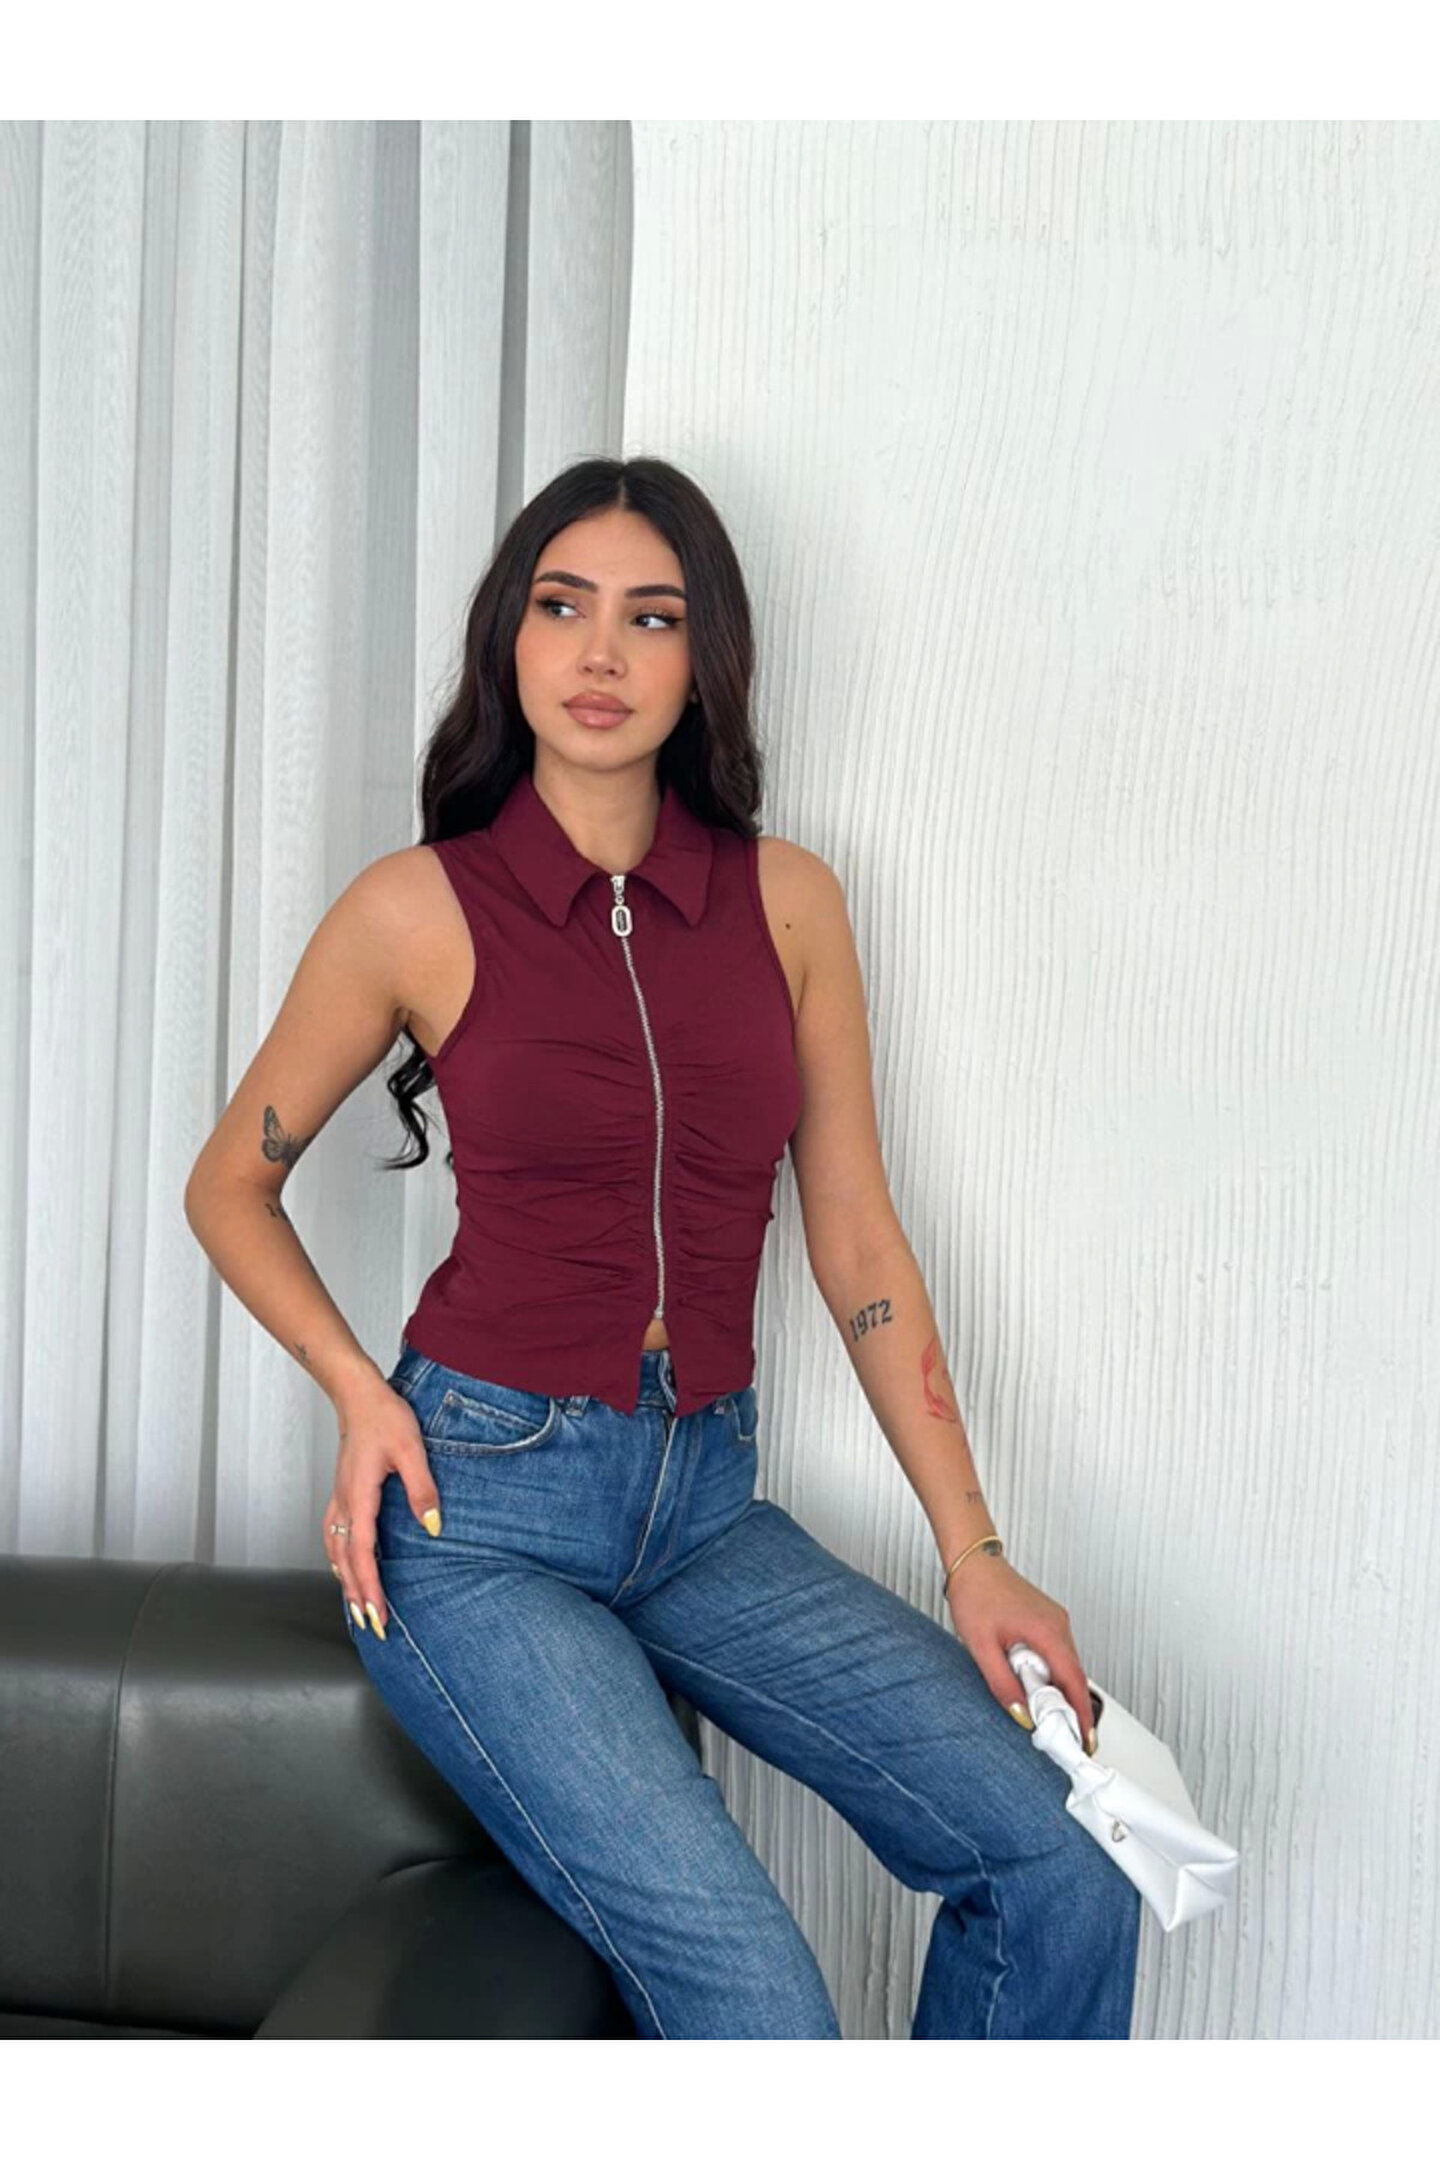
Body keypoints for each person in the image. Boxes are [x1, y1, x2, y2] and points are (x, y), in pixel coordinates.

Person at [183, 455, 1141, 2040]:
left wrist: (976, 1555)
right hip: (478, 1516)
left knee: (1065, 1860)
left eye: (652, 617)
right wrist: (358, 1389)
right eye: (563, 608)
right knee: (764, 2011)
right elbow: (231, 1184)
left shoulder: (788, 904)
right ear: (509, 640)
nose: (601, 653)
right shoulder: (417, 910)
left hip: (702, 1506)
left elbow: (855, 1237)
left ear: (706, 661)